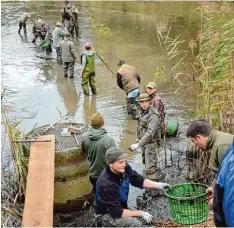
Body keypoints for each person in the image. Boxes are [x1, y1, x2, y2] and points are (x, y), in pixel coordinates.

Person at [95, 147, 170, 227]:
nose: (124, 164)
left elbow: (139, 180)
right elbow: (117, 212)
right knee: (136, 224)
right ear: (110, 164)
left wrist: (159, 185)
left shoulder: (123, 168)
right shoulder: (105, 184)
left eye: (124, 161)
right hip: (106, 214)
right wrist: (141, 213)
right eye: (120, 162)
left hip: (120, 206)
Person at [186, 120, 234, 226]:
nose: (195, 145)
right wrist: (215, 189)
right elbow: (223, 176)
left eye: (194, 141)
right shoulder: (218, 138)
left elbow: (230, 182)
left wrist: (216, 198)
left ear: (199, 137)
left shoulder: (221, 146)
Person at [129, 93, 161, 181]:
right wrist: (138, 138)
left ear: (149, 102)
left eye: (146, 102)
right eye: (142, 102)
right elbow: (140, 126)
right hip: (144, 143)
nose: (144, 104)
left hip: (152, 144)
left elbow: (150, 133)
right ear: (139, 103)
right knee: (145, 162)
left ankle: (154, 191)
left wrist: (138, 144)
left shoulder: (154, 115)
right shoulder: (142, 111)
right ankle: (151, 181)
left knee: (150, 168)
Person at [80, 113, 116, 192]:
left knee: (97, 191)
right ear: (102, 124)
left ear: (91, 124)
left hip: (93, 176)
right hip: (106, 177)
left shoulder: (84, 137)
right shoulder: (108, 140)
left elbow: (83, 151)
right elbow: (115, 159)